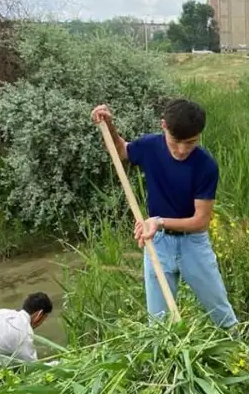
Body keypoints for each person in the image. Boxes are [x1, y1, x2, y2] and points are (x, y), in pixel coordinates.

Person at [91, 99, 238, 329]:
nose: (182, 150)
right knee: (158, 323)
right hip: (158, 244)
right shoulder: (150, 146)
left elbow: (200, 221)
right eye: (176, 142)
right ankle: (167, 353)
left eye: (191, 143)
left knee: (221, 313)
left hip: (193, 245)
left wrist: (158, 222)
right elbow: (120, 150)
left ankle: (237, 346)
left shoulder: (205, 166)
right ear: (164, 126)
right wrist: (108, 126)